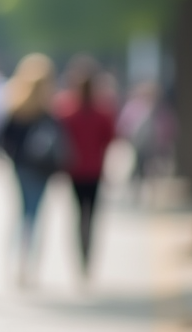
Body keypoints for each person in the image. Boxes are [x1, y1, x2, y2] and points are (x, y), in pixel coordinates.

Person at [1, 53, 64, 287]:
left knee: (20, 214)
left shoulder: (16, 107)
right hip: (41, 170)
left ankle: (16, 264)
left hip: (21, 167)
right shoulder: (50, 111)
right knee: (36, 216)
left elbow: (3, 139)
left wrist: (16, 157)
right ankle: (31, 268)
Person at [55, 55, 115, 279]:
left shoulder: (66, 110)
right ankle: (88, 255)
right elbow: (110, 139)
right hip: (95, 170)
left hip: (75, 170)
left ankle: (81, 255)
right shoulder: (103, 111)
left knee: (78, 214)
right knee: (92, 216)